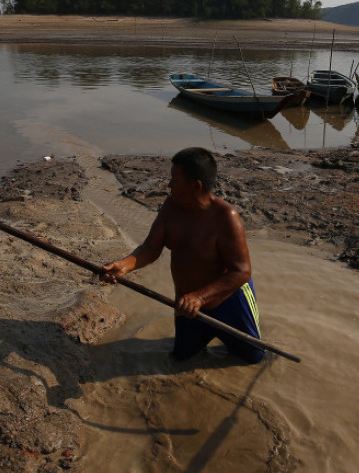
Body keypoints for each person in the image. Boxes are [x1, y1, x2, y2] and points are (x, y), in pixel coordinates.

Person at [100, 147, 265, 364]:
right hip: (188, 307)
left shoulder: (226, 218)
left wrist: (201, 297)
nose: (169, 186)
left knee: (253, 358)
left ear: (195, 186)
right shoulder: (170, 208)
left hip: (229, 302)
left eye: (174, 180)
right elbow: (151, 248)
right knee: (181, 357)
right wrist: (124, 265)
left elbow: (242, 272)